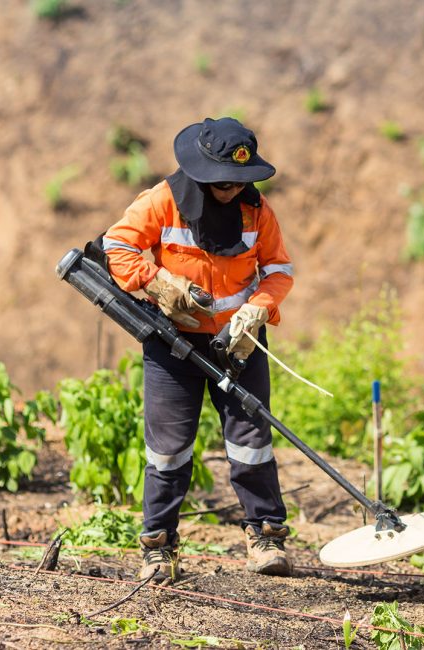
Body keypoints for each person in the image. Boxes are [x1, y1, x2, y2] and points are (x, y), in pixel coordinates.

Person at [101, 117, 295, 582]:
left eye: (238, 181)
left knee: (251, 442)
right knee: (168, 450)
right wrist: (158, 281)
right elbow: (117, 246)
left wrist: (259, 309)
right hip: (174, 344)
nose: (230, 190)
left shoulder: (257, 212)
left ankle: (265, 536)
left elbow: (279, 270)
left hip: (239, 343)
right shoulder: (163, 201)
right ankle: (159, 545)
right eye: (222, 181)